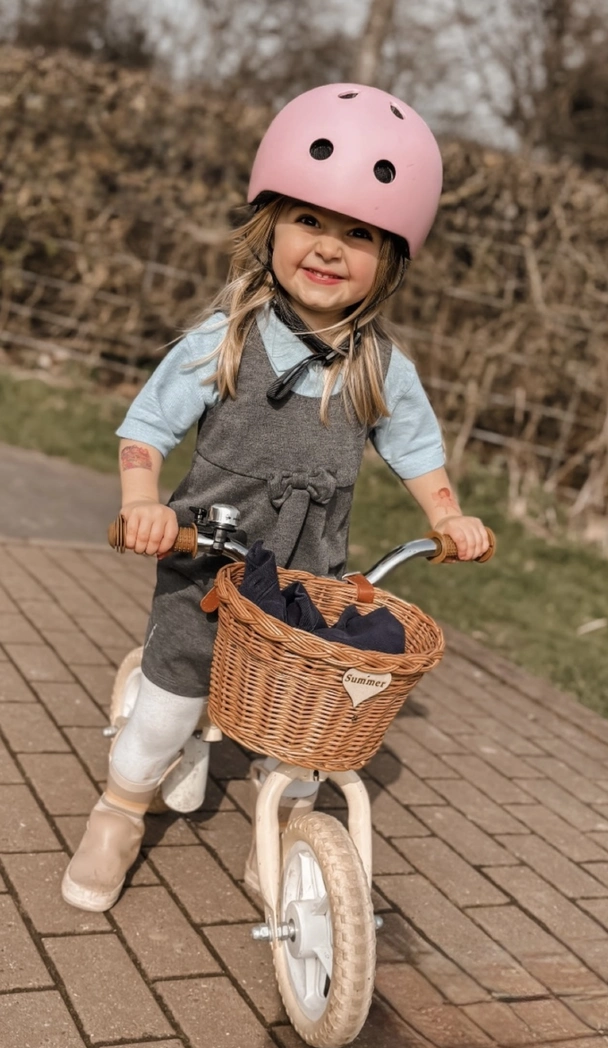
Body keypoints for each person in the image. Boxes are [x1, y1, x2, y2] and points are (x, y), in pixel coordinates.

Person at [61, 83, 490, 912]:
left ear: (391, 260)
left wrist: (448, 516)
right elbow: (145, 432)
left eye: (359, 235)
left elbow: (421, 456)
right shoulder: (223, 338)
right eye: (309, 222)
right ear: (270, 228)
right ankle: (120, 808)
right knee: (172, 692)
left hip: (307, 576)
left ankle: (289, 830)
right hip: (210, 559)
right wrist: (144, 498)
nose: (329, 249)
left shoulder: (379, 369)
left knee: (309, 719)